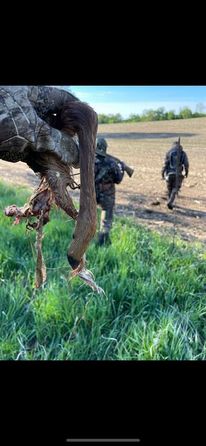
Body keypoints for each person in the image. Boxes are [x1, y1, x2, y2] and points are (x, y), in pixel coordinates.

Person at [95, 137, 125, 246]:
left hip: (91, 194)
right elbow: (118, 179)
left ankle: (84, 238)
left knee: (87, 216)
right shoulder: (111, 163)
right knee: (106, 220)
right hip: (107, 195)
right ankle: (102, 242)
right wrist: (122, 168)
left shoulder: (89, 161)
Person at [161, 138, 189, 209]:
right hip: (178, 174)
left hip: (169, 174)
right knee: (175, 188)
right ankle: (170, 202)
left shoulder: (169, 152)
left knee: (169, 188)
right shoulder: (183, 153)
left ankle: (170, 201)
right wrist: (186, 173)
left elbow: (165, 164)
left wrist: (162, 173)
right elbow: (186, 164)